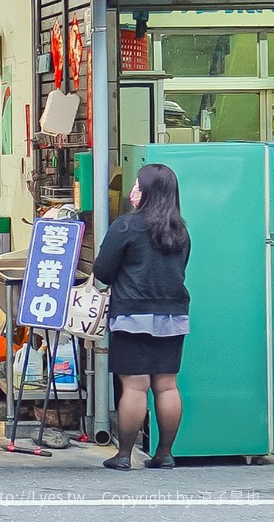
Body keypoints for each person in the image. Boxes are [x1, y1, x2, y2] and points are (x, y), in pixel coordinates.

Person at [94, 163, 191, 471]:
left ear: (145, 191)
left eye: (136, 185)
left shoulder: (126, 226)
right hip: (173, 314)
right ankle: (164, 453)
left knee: (135, 385)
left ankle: (123, 455)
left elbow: (102, 272)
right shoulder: (180, 230)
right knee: (166, 385)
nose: (132, 190)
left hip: (132, 315)